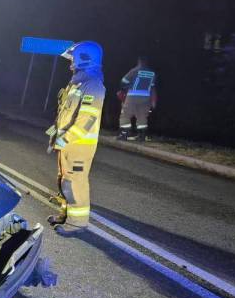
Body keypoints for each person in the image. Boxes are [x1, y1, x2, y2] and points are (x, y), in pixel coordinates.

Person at [47, 41, 106, 235]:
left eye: (73, 59)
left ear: (84, 58)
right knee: (64, 181)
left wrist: (66, 138)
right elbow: (65, 113)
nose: (71, 63)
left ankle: (77, 223)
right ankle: (66, 214)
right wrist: (56, 134)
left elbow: (87, 119)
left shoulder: (93, 85)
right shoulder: (78, 83)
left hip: (79, 144)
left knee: (74, 183)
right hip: (68, 143)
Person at [118, 56, 158, 141]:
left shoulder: (134, 70)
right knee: (142, 115)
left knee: (125, 114)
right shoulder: (152, 73)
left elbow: (123, 81)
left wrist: (125, 88)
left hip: (133, 95)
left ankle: (124, 134)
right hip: (146, 97)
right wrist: (153, 101)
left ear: (139, 61)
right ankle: (142, 136)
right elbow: (152, 87)